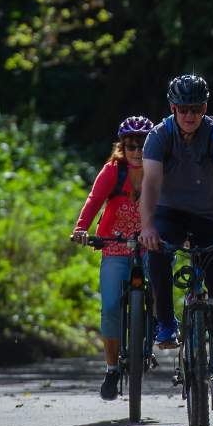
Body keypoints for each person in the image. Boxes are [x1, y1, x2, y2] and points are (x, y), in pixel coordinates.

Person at [139, 74, 213, 408]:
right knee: (157, 251)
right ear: (173, 108)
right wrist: (147, 227)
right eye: (184, 108)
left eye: (197, 108)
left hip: (211, 215)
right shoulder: (159, 136)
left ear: (205, 107)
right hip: (170, 211)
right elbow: (150, 183)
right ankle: (164, 322)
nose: (190, 115)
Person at [71, 116, 154, 400]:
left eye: (143, 144)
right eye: (131, 145)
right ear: (122, 146)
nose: (137, 151)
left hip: (148, 246)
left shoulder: (159, 171)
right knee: (109, 307)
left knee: (157, 295)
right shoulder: (113, 171)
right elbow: (94, 200)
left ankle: (156, 334)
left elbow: (173, 204)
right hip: (115, 245)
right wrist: (81, 228)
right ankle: (111, 368)